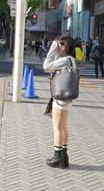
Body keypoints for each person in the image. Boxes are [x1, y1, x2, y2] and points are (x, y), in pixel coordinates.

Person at [43, 35, 77, 169]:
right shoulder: (71, 59)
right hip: (67, 98)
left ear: (64, 46)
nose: (58, 46)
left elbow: (46, 66)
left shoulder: (65, 60)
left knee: (57, 128)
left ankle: (57, 157)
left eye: (60, 44)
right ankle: (64, 157)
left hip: (60, 98)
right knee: (63, 127)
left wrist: (52, 47)